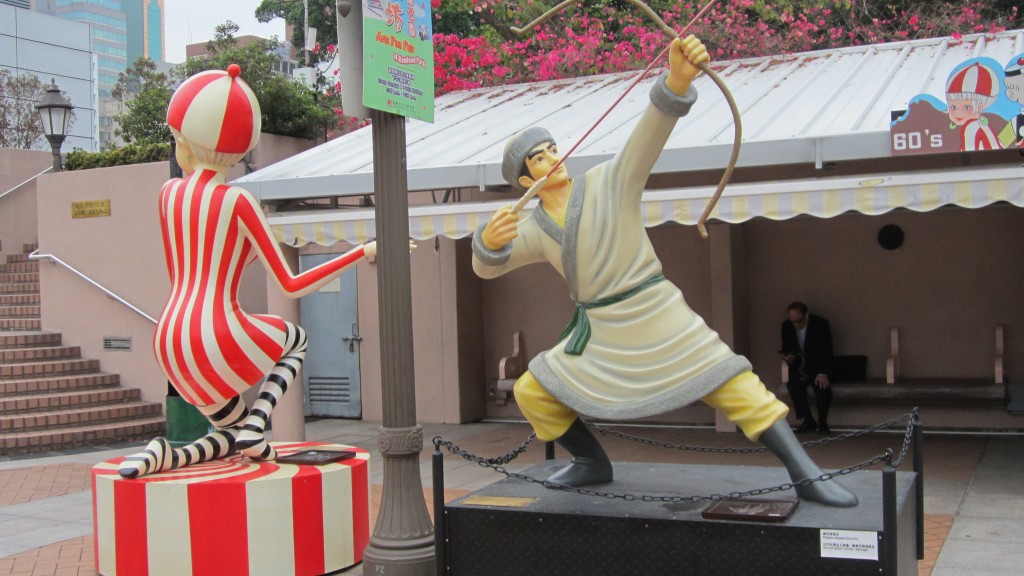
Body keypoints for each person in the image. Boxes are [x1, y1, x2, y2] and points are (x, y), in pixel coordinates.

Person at [473, 35, 857, 507]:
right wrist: (487, 244)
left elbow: (646, 139)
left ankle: (805, 472)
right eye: (540, 158)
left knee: (729, 378)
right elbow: (488, 268)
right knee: (533, 388)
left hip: (654, 308)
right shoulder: (533, 228)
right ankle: (592, 462)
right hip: (601, 331)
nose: (554, 158)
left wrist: (676, 80)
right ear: (527, 181)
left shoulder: (608, 183)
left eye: (554, 149)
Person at [119, 65, 377, 479]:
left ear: (184, 146)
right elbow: (291, 286)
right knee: (295, 339)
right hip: (218, 332)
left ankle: (165, 455)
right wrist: (359, 251)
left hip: (170, 339)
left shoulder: (168, 194)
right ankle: (258, 425)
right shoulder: (238, 202)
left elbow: (185, 268)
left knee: (228, 431)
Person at [780, 302, 834, 435]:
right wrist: (788, 357)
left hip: (818, 366)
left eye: (798, 321)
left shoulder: (820, 324)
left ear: (806, 315)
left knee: (822, 388)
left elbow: (825, 349)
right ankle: (808, 419)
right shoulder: (786, 326)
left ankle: (822, 422)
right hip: (799, 366)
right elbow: (786, 346)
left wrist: (823, 373)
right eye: (793, 322)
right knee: (793, 386)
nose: (796, 325)